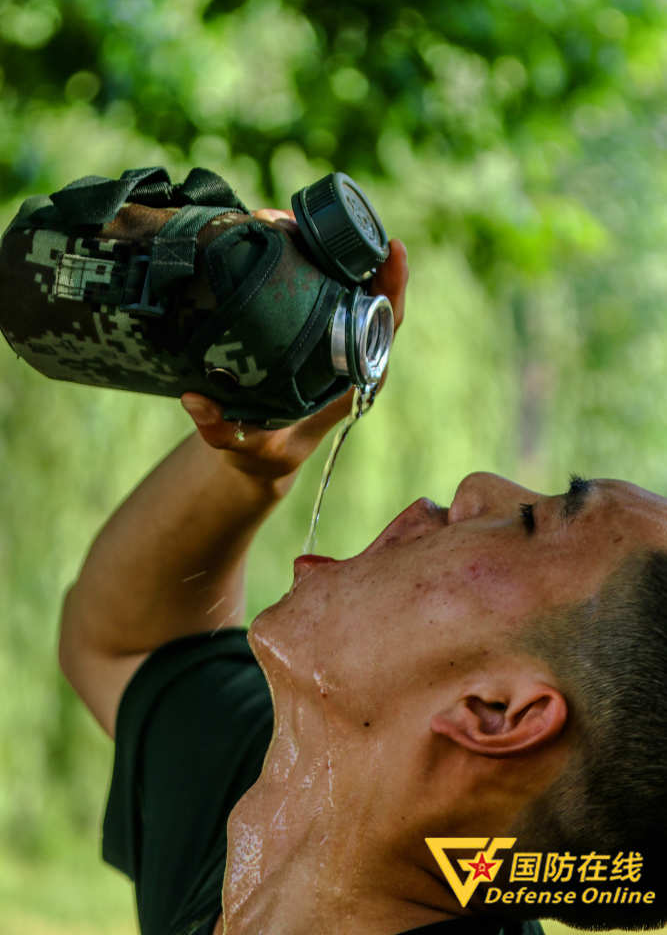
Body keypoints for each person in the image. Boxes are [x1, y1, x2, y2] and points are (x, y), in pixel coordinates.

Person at [58, 214, 667, 935]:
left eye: (533, 522)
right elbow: (130, 644)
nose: (477, 485)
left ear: (496, 714)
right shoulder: (300, 801)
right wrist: (252, 460)